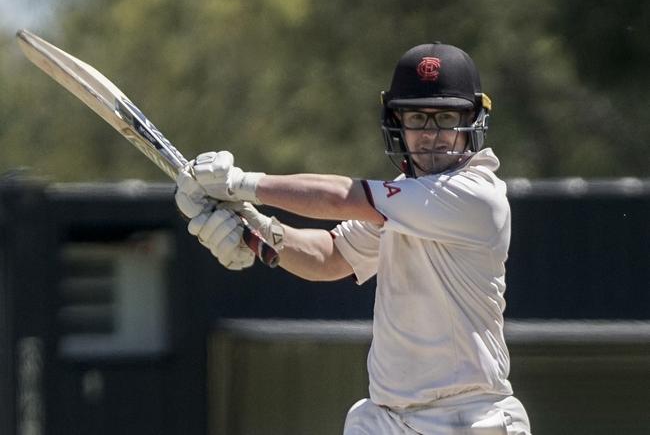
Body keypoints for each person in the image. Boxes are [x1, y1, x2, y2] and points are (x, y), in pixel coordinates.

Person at [175, 43, 532, 434]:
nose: (431, 135)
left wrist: (241, 185)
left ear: (472, 122)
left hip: (470, 418)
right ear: (397, 124)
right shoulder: (402, 199)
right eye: (417, 117)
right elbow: (330, 256)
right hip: (389, 419)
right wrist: (255, 230)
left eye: (445, 117)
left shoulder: (476, 195)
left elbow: (340, 196)